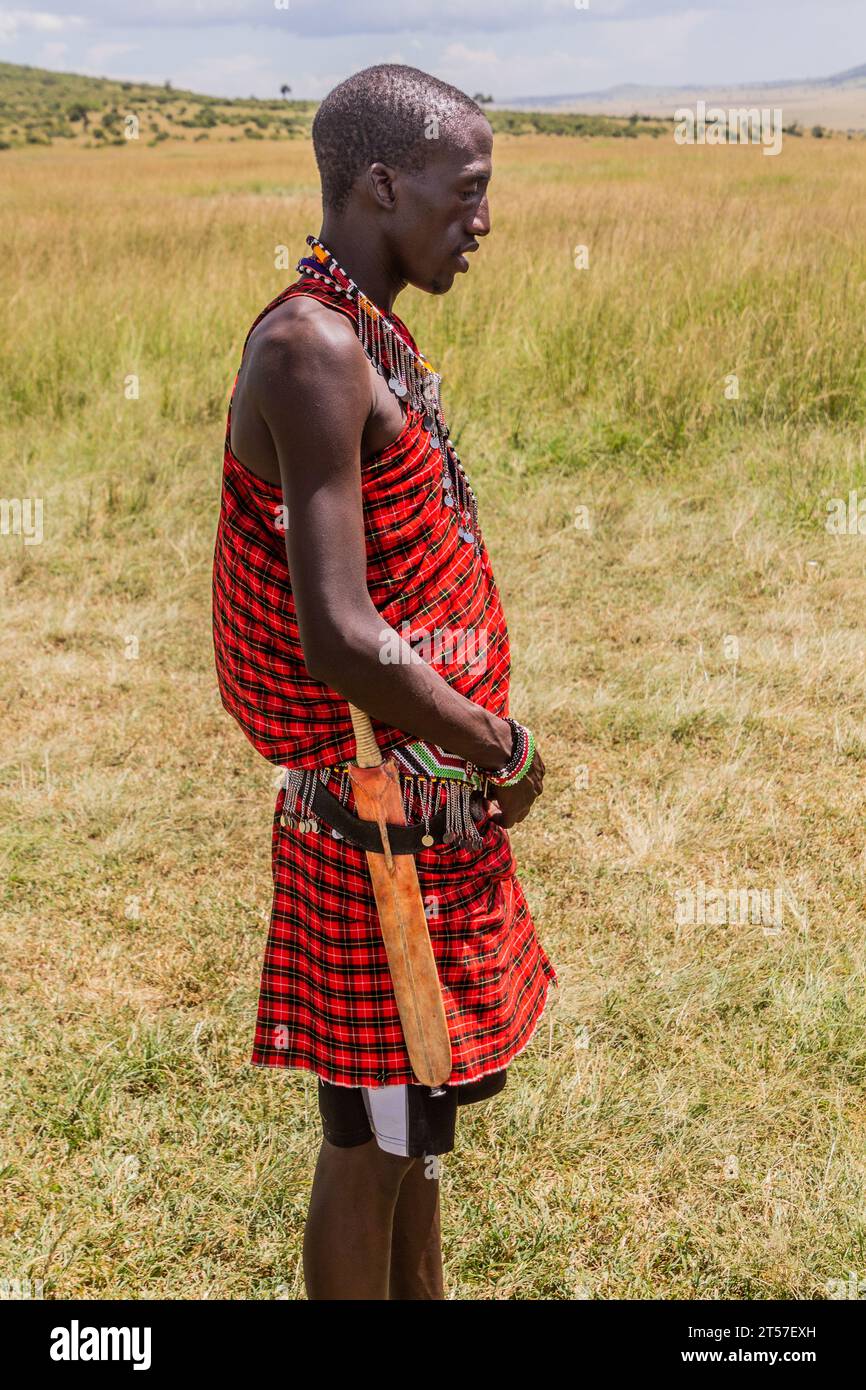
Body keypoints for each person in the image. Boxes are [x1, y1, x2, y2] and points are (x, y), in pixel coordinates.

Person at [211, 63, 557, 1300]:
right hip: (373, 827)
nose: (481, 221)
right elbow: (343, 639)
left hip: (413, 816)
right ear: (380, 183)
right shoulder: (310, 348)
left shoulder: (367, 332)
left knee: (419, 1132)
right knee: (368, 1144)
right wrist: (495, 743)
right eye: (463, 193)